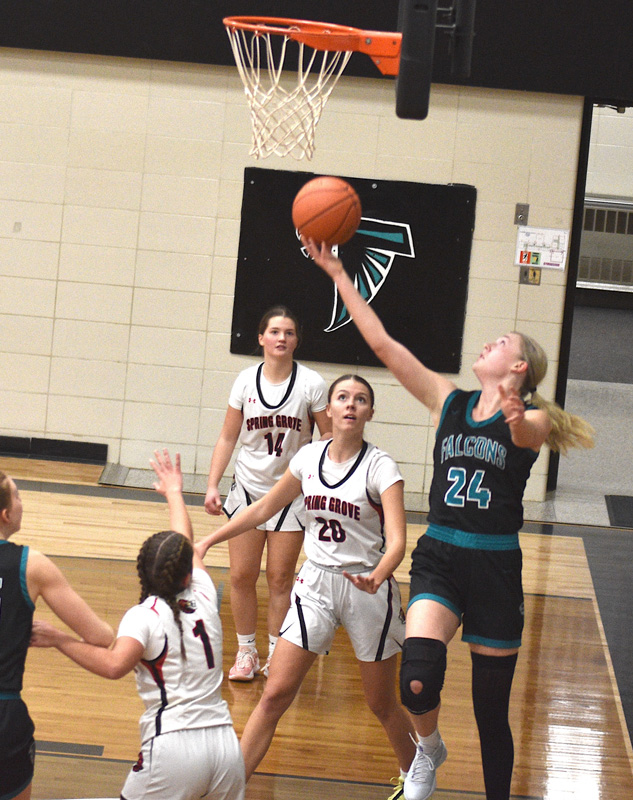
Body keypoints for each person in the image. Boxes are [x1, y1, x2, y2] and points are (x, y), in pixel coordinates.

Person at [303, 237, 595, 800]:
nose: (488, 342)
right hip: (439, 554)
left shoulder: (531, 417)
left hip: (493, 564)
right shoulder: (449, 401)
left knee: (491, 714)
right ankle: (429, 749)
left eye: (501, 342)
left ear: (517, 366)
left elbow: (527, 433)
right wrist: (340, 273)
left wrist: (513, 411)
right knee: (416, 681)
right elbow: (386, 346)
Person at [197, 375, 417, 787]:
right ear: (329, 410)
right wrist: (209, 539)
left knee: (381, 702)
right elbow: (263, 507)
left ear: (371, 412)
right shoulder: (308, 459)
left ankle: (415, 771)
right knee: (274, 694)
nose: (351, 405)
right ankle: (231, 788)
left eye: (361, 399)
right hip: (314, 583)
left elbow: (399, 542)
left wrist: (378, 575)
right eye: (343, 398)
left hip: (366, 588)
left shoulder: (381, 467)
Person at [31, 451, 245, 800]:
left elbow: (115, 665)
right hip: (225, 747)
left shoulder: (145, 615)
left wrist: (60, 639)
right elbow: (185, 543)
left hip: (175, 748)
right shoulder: (205, 594)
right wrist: (174, 492)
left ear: (142, 572)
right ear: (187, 573)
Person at [204, 305, 331, 681]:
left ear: (297, 340)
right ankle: (246, 652)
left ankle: (277, 654)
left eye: (289, 332)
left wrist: (321, 485)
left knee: (280, 578)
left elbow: (327, 438)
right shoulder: (245, 381)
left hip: (290, 493)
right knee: (242, 576)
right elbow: (228, 436)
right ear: (261, 338)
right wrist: (212, 483)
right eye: (274, 331)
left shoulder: (311, 384)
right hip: (247, 489)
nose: (281, 338)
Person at [0, 470, 114, 800]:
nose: (22, 502)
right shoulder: (30, 565)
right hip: (5, 715)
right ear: (6, 514)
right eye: (17, 495)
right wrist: (59, 638)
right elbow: (101, 636)